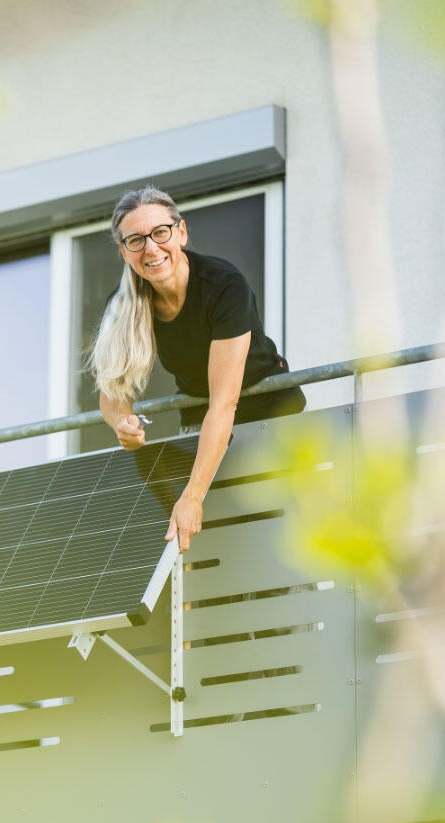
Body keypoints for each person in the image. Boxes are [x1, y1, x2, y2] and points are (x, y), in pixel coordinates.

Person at [90, 186, 304, 553]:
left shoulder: (224, 286)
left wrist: (192, 495)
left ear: (181, 232)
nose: (152, 249)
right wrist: (121, 423)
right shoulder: (122, 304)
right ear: (124, 252)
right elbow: (111, 398)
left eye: (160, 232)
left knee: (271, 534)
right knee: (216, 537)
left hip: (267, 409)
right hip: (199, 411)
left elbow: (225, 403)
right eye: (136, 240)